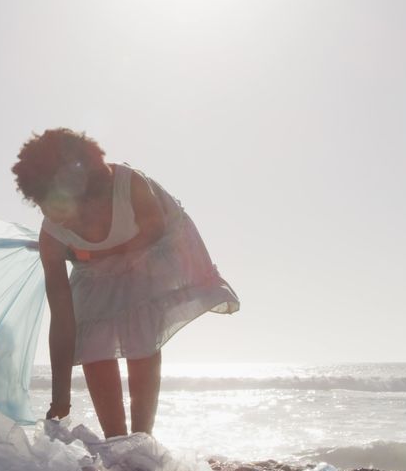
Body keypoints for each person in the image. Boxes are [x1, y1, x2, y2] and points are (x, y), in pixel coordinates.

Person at [12, 128, 239, 438]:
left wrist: (90, 254)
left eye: (61, 203)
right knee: (93, 340)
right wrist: (60, 398)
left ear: (88, 192)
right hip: (95, 266)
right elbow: (63, 319)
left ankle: (142, 436)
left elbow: (154, 231)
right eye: (42, 204)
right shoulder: (51, 237)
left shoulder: (129, 185)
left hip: (154, 247)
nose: (52, 214)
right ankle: (116, 440)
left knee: (140, 332)